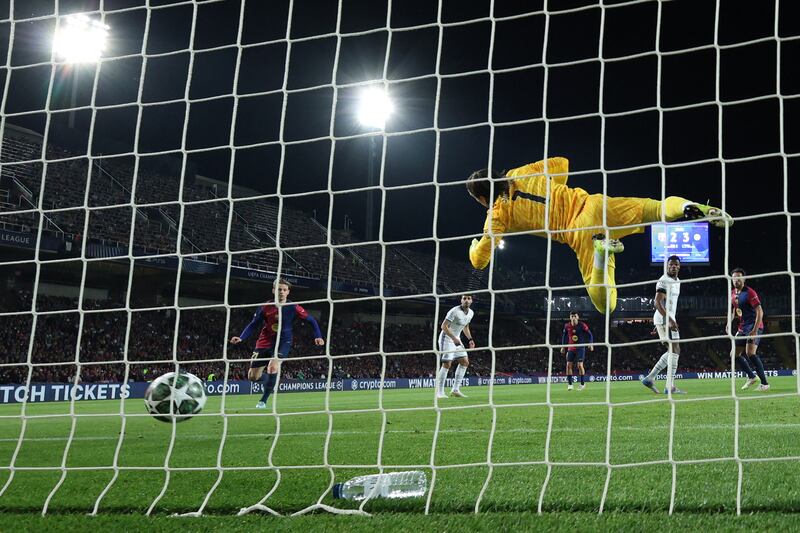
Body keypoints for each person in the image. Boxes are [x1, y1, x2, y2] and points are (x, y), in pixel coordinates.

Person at [466, 157, 732, 314]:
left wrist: (475, 244)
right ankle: (689, 207)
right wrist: (550, 184)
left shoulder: (497, 216)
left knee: (606, 304)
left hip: (580, 231)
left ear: (480, 198)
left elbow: (479, 261)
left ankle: (602, 256)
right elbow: (562, 164)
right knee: (657, 208)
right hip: (594, 204)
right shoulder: (522, 173)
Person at [230, 279, 325, 408]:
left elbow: (312, 320)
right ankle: (272, 379)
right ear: (273, 290)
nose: (281, 292)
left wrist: (318, 336)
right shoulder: (265, 307)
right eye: (279, 289)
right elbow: (253, 324)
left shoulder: (294, 307)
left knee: (273, 366)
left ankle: (262, 401)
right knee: (252, 377)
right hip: (265, 341)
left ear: (288, 292)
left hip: (283, 341)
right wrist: (241, 337)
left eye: (284, 290)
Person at [641, 256, 686, 395]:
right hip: (666, 319)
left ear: (679, 267)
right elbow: (657, 302)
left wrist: (660, 323)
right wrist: (667, 320)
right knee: (675, 349)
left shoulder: (677, 281)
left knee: (673, 350)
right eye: (670, 265)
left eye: (676, 265)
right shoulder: (663, 280)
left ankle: (650, 378)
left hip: (664, 319)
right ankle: (669, 386)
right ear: (667, 266)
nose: (673, 267)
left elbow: (668, 303)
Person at [730, 268, 769, 392]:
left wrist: (754, 330)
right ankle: (752, 377)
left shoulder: (750, 292)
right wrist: (728, 322)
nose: (736, 280)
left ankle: (764, 384)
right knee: (734, 355)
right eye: (734, 278)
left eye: (739, 278)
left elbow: (760, 311)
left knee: (750, 353)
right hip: (742, 327)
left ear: (744, 279)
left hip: (754, 326)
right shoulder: (732, 293)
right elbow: (733, 309)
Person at [435, 294, 475, 399]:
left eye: (469, 298)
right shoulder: (454, 311)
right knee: (447, 364)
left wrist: (470, 339)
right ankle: (439, 392)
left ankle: (455, 389)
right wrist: (453, 338)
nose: (466, 300)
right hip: (446, 338)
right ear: (461, 300)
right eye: (464, 298)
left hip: (457, 339)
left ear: (472, 301)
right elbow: (443, 326)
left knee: (464, 362)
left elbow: (465, 326)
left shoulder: (471, 313)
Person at [560, 311, 593, 390]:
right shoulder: (567, 326)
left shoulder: (582, 325)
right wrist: (563, 347)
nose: (573, 317)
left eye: (575, 316)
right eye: (572, 316)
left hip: (580, 348)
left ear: (578, 317)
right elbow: (564, 336)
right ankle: (570, 385)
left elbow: (590, 334)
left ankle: (582, 384)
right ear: (570, 317)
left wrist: (591, 344)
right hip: (571, 348)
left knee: (580, 365)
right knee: (568, 365)